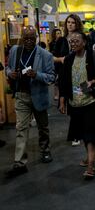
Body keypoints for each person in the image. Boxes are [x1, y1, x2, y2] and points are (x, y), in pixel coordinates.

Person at [5, 26, 55, 178]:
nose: (28, 41)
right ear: (21, 37)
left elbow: (51, 77)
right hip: (21, 95)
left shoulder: (45, 55)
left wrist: (36, 75)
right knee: (21, 128)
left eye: (31, 38)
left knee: (43, 127)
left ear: (36, 38)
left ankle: (45, 150)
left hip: (38, 95)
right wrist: (10, 74)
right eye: (25, 38)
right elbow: (7, 67)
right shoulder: (15, 50)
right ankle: (19, 162)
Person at [58, 31, 95, 179]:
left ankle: (91, 166)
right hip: (75, 103)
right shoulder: (68, 59)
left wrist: (92, 81)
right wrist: (62, 99)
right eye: (71, 41)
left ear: (84, 42)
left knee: (91, 133)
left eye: (76, 41)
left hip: (91, 101)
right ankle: (89, 157)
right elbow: (63, 80)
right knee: (83, 134)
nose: (73, 43)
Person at [54, 14, 83, 146]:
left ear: (77, 24)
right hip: (65, 75)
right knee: (69, 104)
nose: (70, 24)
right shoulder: (61, 40)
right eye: (68, 22)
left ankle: (77, 133)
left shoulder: (82, 38)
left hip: (80, 75)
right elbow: (52, 57)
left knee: (81, 102)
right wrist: (61, 59)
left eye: (73, 22)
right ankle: (76, 132)